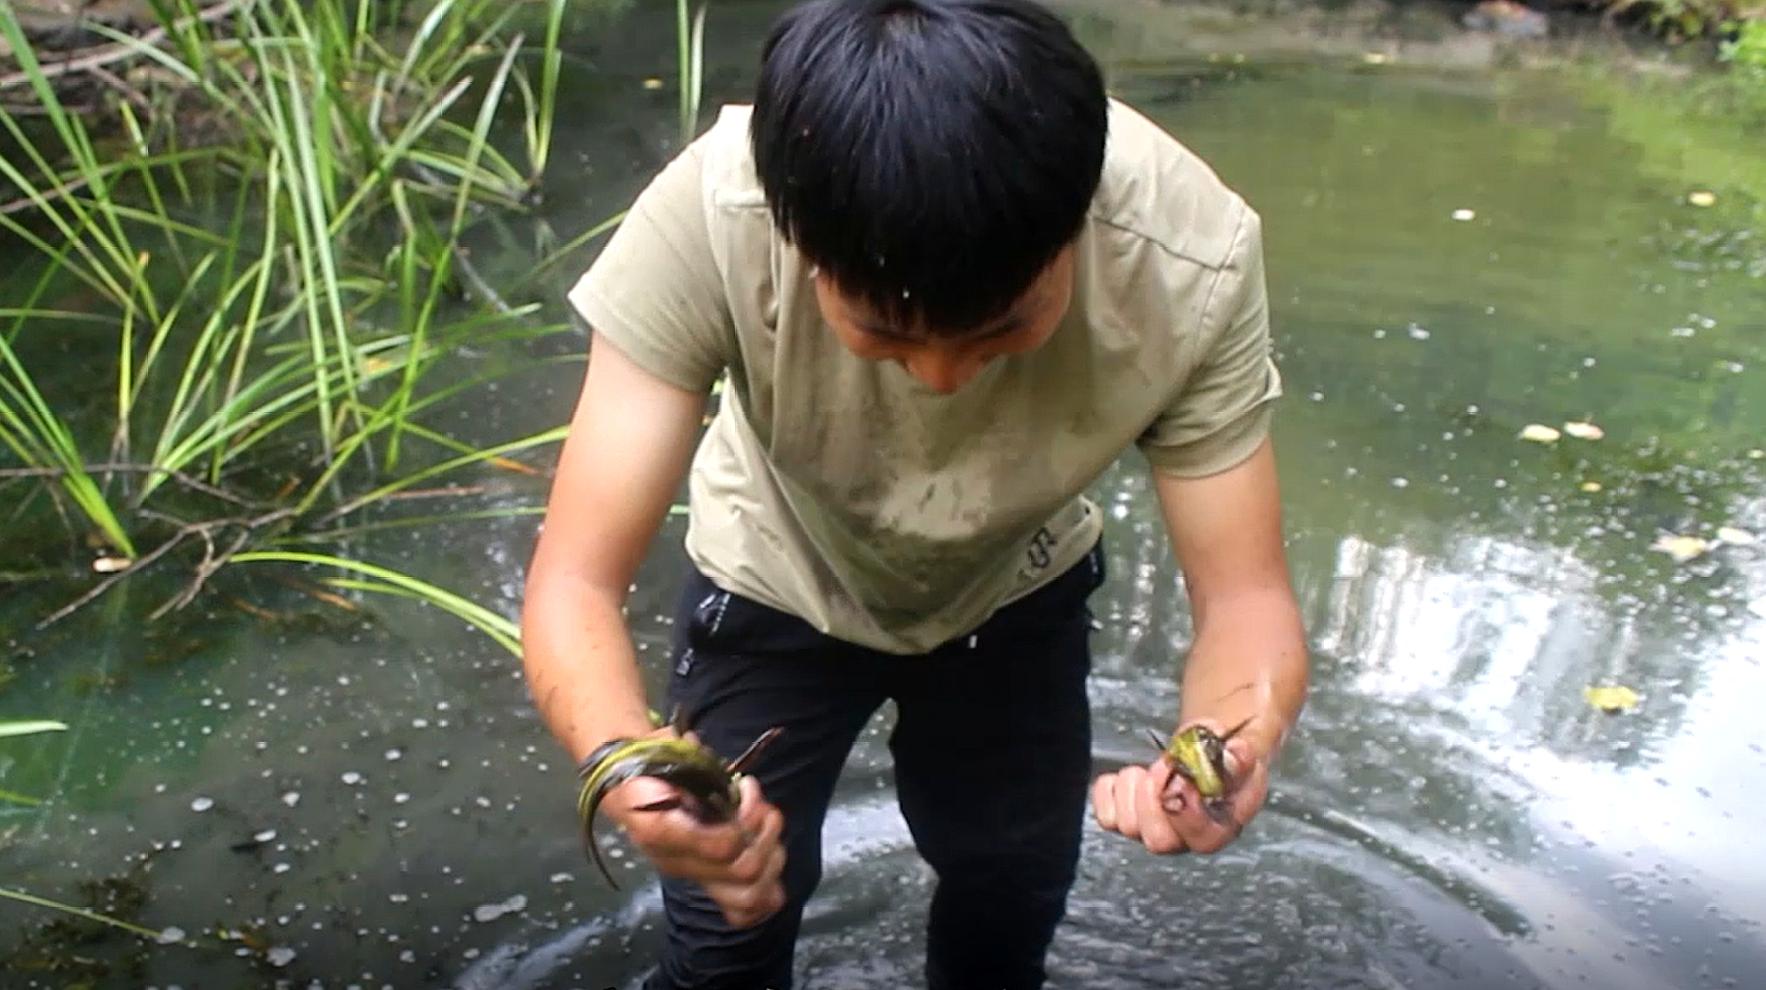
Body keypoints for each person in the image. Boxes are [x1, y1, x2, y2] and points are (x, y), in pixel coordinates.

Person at [520, 0, 1309, 987]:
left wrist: (1224, 748)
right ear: (799, 243)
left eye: (1001, 330)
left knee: (1009, 885)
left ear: (1077, 232)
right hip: (775, 569)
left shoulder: (1190, 258)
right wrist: (626, 766)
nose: (939, 378)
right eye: (885, 334)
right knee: (726, 923)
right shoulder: (712, 216)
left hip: (1016, 582)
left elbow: (1243, 599)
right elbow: (573, 584)